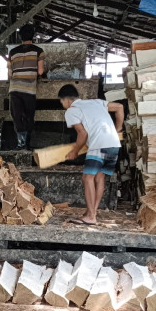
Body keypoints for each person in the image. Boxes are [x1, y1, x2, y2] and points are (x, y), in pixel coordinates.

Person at [58, 84, 124, 226]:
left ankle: (91, 216)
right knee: (99, 177)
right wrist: (117, 129)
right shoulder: (96, 102)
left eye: (61, 102)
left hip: (99, 144)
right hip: (113, 143)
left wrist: (75, 151)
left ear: (66, 100)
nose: (63, 105)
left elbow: (83, 134)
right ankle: (92, 213)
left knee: (87, 178)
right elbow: (119, 107)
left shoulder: (71, 110)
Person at [7, 23, 45, 150]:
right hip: (29, 90)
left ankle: (20, 144)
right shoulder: (38, 51)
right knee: (28, 117)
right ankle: (27, 145)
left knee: (17, 117)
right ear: (32, 36)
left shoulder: (12, 52)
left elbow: (10, 73)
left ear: (20, 36)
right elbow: (40, 71)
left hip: (14, 89)